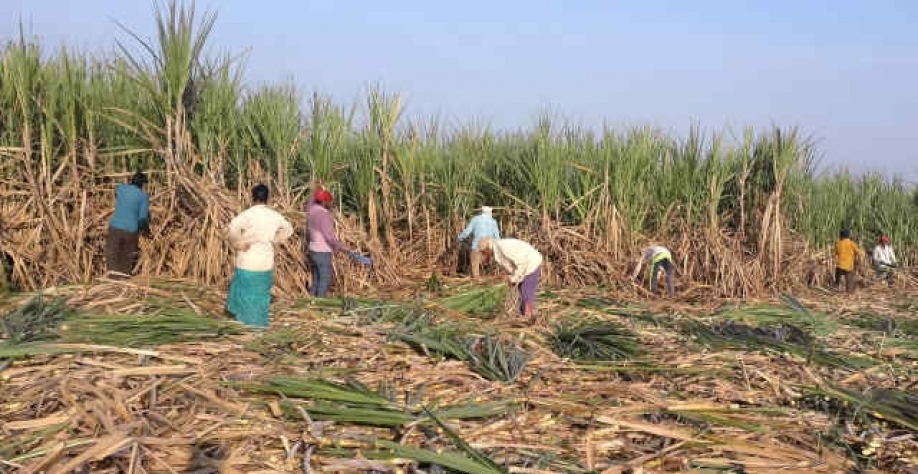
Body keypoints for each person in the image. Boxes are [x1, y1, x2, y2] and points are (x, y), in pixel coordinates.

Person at [225, 184, 293, 327]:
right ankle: (257, 326)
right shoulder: (274, 216)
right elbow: (288, 229)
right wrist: (275, 240)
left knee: (245, 293)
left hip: (248, 259)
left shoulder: (248, 214)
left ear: (252, 197)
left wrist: (238, 243)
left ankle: (243, 325)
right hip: (265, 261)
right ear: (267, 198)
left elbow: (232, 228)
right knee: (261, 295)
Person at [479, 237, 542, 319]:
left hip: (531, 264)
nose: (485, 255)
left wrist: (513, 279)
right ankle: (524, 315)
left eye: (484, 252)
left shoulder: (503, 247)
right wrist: (511, 277)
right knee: (522, 293)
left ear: (488, 247)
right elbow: (512, 266)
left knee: (526, 292)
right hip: (524, 267)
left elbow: (521, 263)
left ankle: (529, 316)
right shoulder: (497, 251)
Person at [306, 188, 350, 297]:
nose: (331, 203)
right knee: (325, 279)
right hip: (322, 251)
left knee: (317, 278)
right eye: (329, 201)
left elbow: (311, 200)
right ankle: (321, 303)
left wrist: (317, 190)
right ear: (324, 202)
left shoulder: (311, 210)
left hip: (313, 250)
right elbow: (329, 237)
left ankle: (312, 301)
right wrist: (342, 247)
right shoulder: (323, 215)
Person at [106, 171, 150, 280]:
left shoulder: (121, 188)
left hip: (115, 227)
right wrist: (147, 231)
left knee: (113, 252)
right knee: (127, 255)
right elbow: (142, 219)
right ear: (143, 184)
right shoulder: (143, 197)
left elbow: (114, 188)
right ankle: (123, 279)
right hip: (130, 231)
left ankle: (112, 278)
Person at [457, 206, 501, 277]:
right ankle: (489, 276)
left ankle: (476, 278)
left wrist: (459, 238)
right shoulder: (493, 222)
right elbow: (497, 237)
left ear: (482, 212)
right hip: (490, 246)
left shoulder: (476, 219)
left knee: (474, 260)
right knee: (489, 262)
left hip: (478, 245)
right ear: (490, 213)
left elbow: (467, 232)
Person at [834, 228, 864, 293]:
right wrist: (858, 260)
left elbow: (835, 253)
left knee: (837, 275)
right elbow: (860, 253)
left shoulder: (838, 244)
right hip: (848, 267)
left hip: (839, 266)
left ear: (841, 235)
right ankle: (849, 293)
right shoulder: (851, 243)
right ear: (848, 235)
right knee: (849, 284)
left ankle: (836, 284)